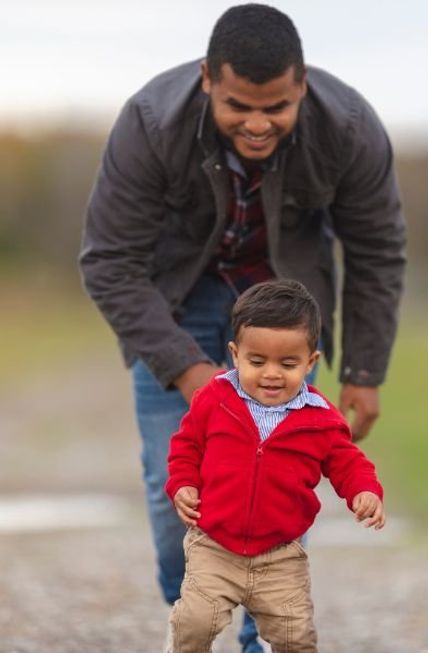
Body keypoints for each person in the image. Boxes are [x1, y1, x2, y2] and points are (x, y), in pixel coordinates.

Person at [78, 5, 404, 651]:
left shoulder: (352, 128)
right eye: (238, 107)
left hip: (286, 311)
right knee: (174, 488)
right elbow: (108, 261)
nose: (258, 124)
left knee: (281, 469)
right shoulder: (149, 123)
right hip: (178, 305)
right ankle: (195, 615)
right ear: (207, 79)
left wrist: (365, 372)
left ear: (302, 84)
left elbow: (377, 253)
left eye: (276, 107)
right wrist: (191, 372)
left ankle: (261, 640)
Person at [165, 279, 385, 652]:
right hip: (214, 545)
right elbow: (185, 447)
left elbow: (349, 462)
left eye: (287, 364)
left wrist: (365, 491)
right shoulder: (214, 399)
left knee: (295, 637)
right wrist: (183, 483)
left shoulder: (320, 418)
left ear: (310, 362)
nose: (271, 374)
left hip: (280, 555)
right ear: (235, 355)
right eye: (257, 361)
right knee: (196, 623)